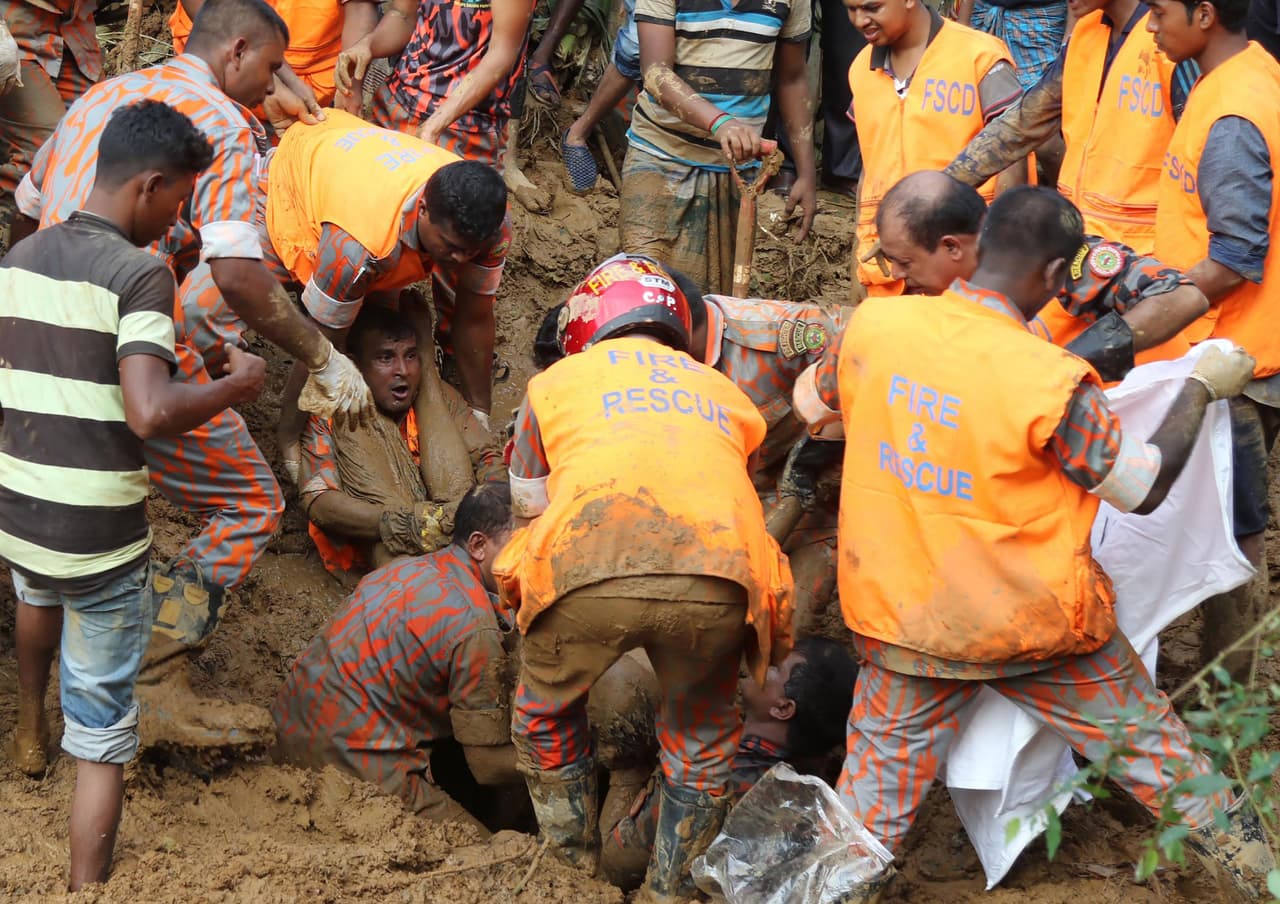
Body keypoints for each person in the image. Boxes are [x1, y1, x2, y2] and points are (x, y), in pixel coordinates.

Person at [792, 186, 1273, 900]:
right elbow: (1139, 487)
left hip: (906, 623)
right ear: (1055, 280)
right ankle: (1259, 878)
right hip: (1037, 625)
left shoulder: (874, 327)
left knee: (865, 816)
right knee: (1164, 764)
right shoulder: (1050, 381)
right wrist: (1200, 386)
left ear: (972, 246)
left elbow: (816, 406)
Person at [13, 0, 375, 751]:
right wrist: (314, 357)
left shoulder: (102, 97)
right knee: (248, 501)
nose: (275, 86)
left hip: (40, 333)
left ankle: (30, 715)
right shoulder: (222, 127)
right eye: (273, 68)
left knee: (51, 541)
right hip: (130, 342)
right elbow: (234, 278)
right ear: (237, 51)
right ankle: (155, 677)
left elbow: (27, 210)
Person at [0, 100, 266, 888]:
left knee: (38, 588)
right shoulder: (140, 273)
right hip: (98, 534)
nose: (177, 222)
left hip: (23, 510)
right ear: (149, 186)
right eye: (178, 202)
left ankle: (26, 727)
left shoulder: (20, 259)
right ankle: (87, 885)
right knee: (104, 733)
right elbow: (148, 411)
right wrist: (234, 388)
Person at [495, 255, 794, 898]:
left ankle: (568, 876)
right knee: (702, 738)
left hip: (588, 563)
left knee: (545, 715)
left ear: (586, 325)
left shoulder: (554, 386)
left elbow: (528, 508)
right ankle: (669, 891)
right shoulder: (726, 389)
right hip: (721, 574)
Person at [260, 109, 510, 474]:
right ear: (423, 210)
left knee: (374, 307)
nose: (460, 260)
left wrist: (479, 413)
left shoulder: (492, 227)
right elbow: (318, 344)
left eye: (471, 251)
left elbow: (474, 315)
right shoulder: (357, 248)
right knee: (269, 300)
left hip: (354, 153)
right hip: (295, 172)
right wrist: (289, 436)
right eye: (451, 248)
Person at [1147, 0, 1280, 674]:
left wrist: (1147, 317)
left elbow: (1233, 257)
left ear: (1205, 14)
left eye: (1162, 10)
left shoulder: (1234, 114)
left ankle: (1231, 706)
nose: (1150, 24)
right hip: (1234, 343)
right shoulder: (1236, 78)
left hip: (1240, 357)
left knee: (1233, 530)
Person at [273, 483, 518, 829]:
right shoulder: (475, 625)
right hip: (352, 774)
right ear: (478, 545)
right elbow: (487, 766)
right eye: (524, 546)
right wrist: (571, 756)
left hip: (288, 738)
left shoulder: (402, 568)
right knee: (485, 855)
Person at [876, 171, 1208, 378]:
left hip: (1144, 424)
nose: (896, 274)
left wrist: (1064, 365)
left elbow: (1182, 295)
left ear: (952, 248)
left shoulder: (1044, 255)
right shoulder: (949, 298)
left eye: (905, 261)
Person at [599, 637, 859, 890]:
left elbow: (616, 864)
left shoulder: (712, 776)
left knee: (619, 685)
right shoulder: (814, 788)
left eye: (774, 667)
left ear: (782, 708)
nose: (762, 662)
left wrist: (628, 770)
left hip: (653, 877)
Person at [944, 0, 1198, 258]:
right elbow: (1024, 123)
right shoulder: (1087, 34)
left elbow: (1206, 158)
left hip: (1154, 260)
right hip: (1085, 251)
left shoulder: (1172, 42)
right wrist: (940, 191)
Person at [619, 0, 816, 295]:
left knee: (715, 302)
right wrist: (720, 123)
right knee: (644, 287)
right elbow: (655, 72)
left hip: (736, 169)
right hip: (659, 154)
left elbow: (792, 79)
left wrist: (806, 173)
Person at [300, 304, 503, 583]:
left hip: (459, 535)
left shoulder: (439, 396)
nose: (403, 370)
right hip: (382, 561)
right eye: (386, 358)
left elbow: (489, 459)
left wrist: (482, 509)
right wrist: (403, 523)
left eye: (411, 356)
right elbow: (320, 502)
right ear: (355, 363)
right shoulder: (329, 411)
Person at [846, 0, 1026, 299]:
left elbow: (1014, 159)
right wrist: (857, 260)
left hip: (963, 269)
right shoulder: (861, 69)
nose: (859, 20)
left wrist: (999, 264)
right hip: (887, 271)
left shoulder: (979, 57)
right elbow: (870, 164)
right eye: (850, 10)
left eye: (872, 8)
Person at [334, 0, 531, 170]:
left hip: (465, 124)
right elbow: (402, 15)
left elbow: (502, 52)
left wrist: (436, 124)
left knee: (452, 206)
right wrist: (366, 46)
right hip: (396, 103)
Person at [167, 0, 377, 114]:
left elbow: (360, 7)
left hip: (318, 79)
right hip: (225, 64)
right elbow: (214, 11)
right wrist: (273, 80)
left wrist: (349, 86)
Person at [0, 0, 99, 210]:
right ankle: (15, 234)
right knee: (41, 153)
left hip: (73, 31)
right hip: (14, 31)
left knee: (96, 143)